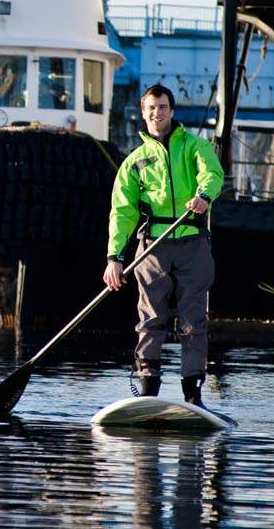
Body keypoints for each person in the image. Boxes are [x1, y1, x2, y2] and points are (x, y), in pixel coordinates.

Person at [103, 84, 224, 407]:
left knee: (192, 320)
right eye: (151, 108)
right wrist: (114, 257)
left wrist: (204, 196)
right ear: (143, 113)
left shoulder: (197, 147)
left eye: (162, 107)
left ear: (172, 111)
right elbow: (123, 212)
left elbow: (212, 174)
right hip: (152, 247)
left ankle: (193, 393)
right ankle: (147, 388)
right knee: (150, 318)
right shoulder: (135, 162)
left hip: (192, 243)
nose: (157, 113)